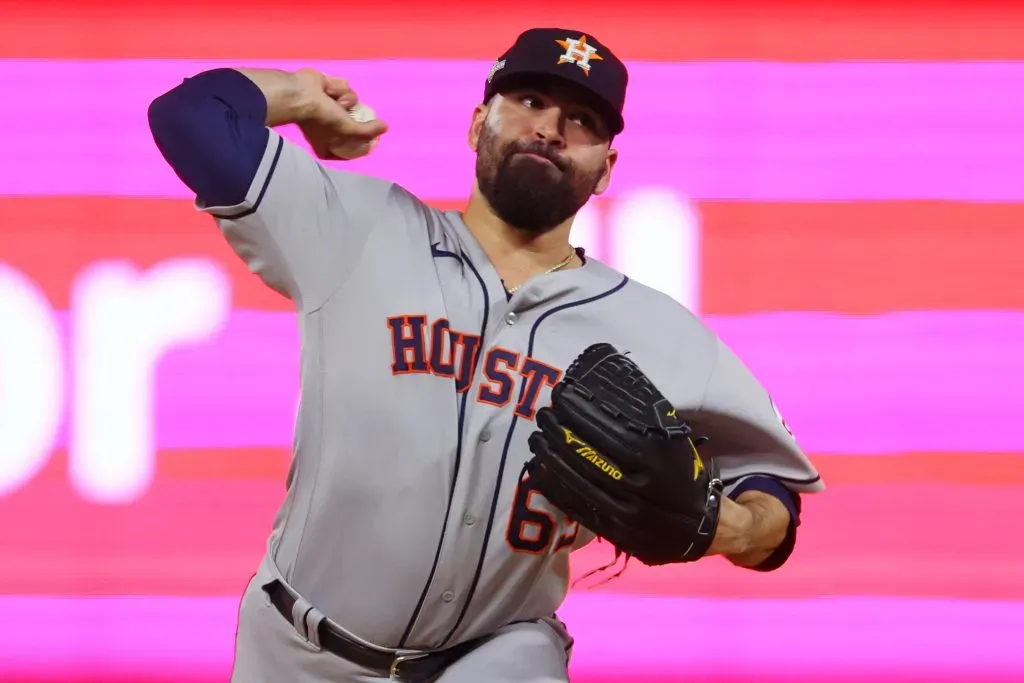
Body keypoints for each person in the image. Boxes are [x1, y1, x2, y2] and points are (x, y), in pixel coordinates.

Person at [148, 27, 823, 683]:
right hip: (297, 650)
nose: (551, 129)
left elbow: (775, 503)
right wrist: (298, 94)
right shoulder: (356, 230)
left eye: (583, 120)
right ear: (477, 124)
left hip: (498, 654)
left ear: (606, 169)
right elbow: (189, 115)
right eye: (529, 102)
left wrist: (728, 525)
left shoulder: (656, 331)